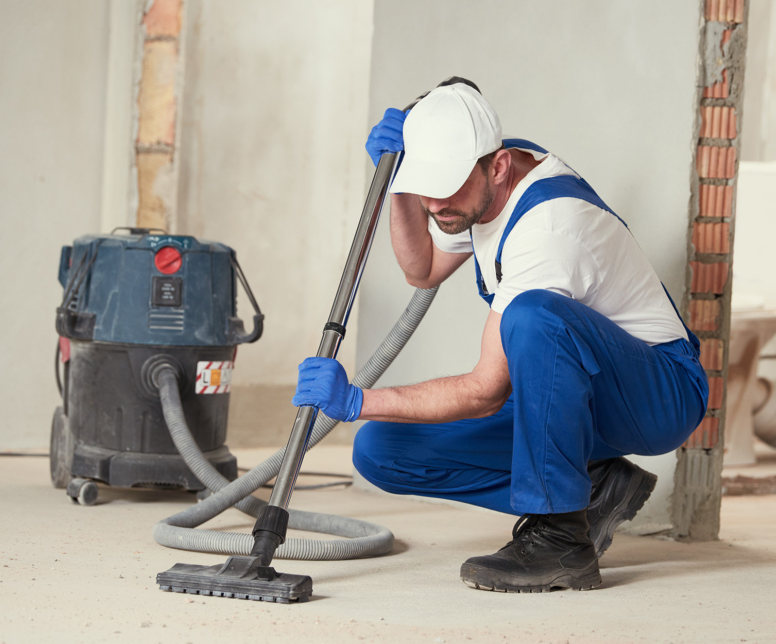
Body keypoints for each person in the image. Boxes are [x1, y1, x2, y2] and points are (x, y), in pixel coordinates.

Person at [293, 82, 708, 593]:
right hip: (576, 394)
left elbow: (487, 389)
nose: (438, 202)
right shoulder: (468, 189)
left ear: (499, 167)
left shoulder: (550, 228)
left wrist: (357, 398)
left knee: (533, 317)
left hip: (658, 393)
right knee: (380, 449)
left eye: (447, 185)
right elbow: (422, 269)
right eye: (428, 185)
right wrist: (400, 183)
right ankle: (596, 487)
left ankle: (561, 540)